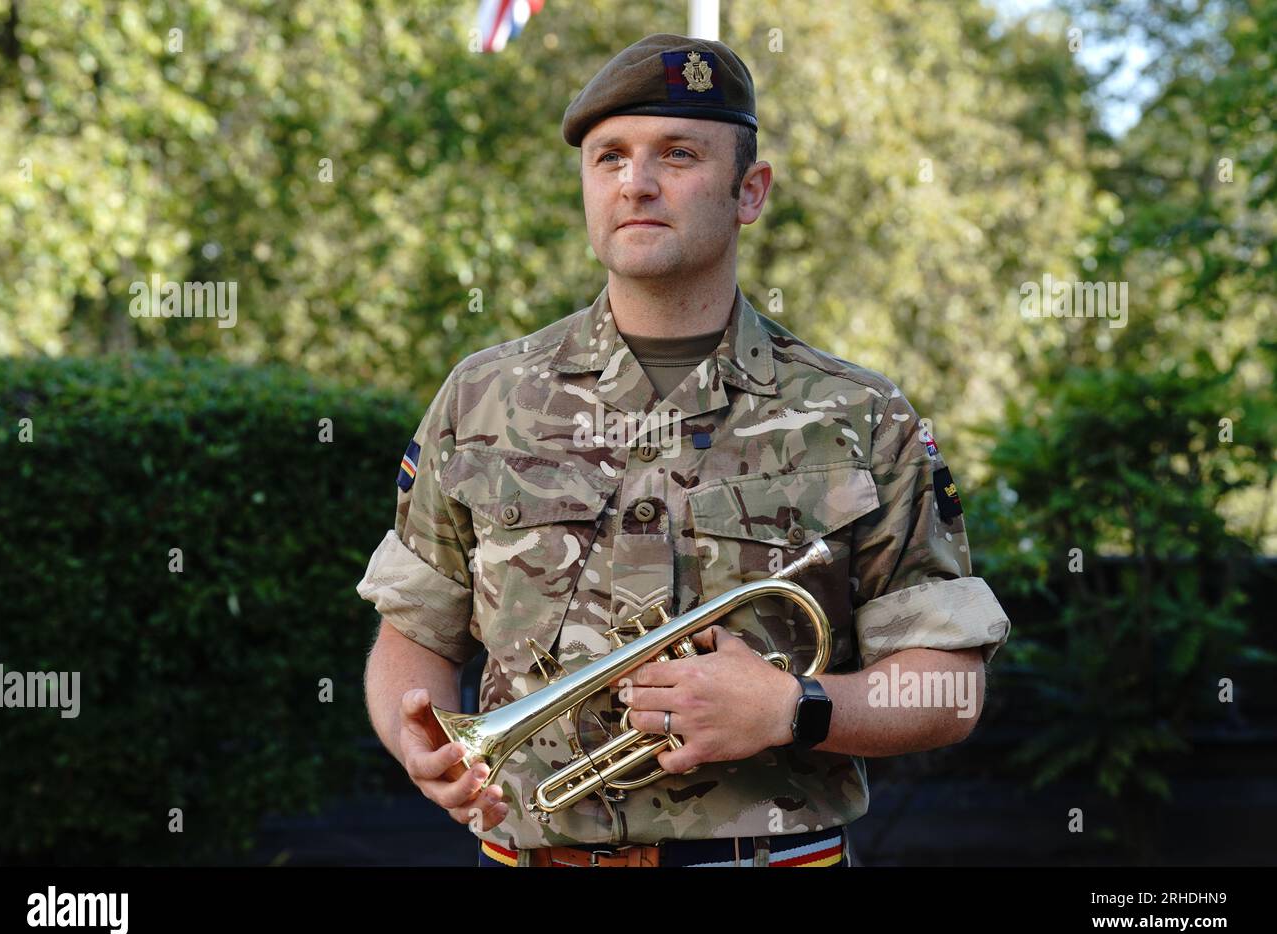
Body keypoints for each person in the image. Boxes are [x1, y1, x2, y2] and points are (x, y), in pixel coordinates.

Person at [357, 33, 1011, 868]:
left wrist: (795, 708)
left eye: (678, 153)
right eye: (609, 158)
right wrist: (418, 739)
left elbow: (949, 688)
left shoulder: (860, 413)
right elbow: (416, 630)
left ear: (750, 192)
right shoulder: (483, 397)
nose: (637, 182)